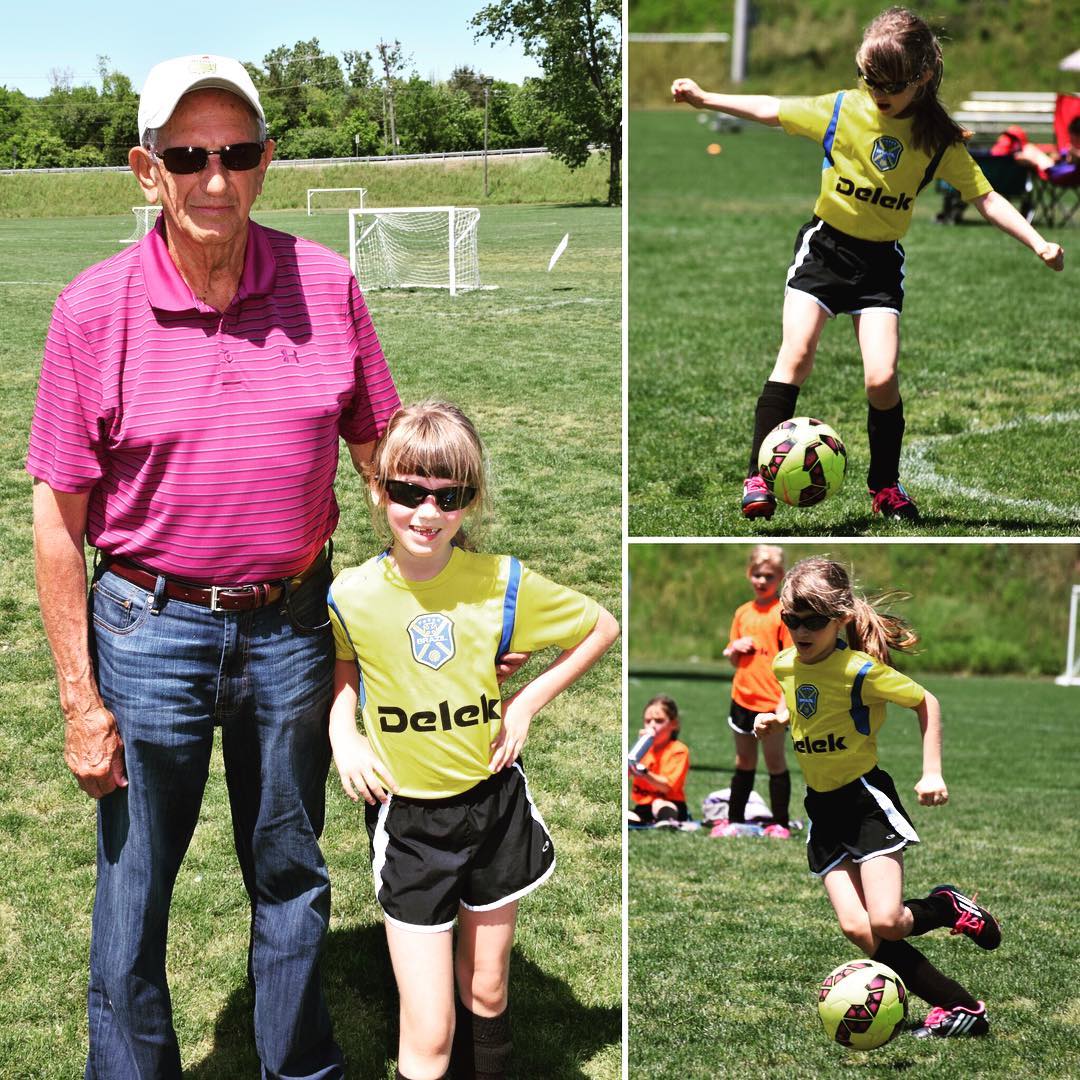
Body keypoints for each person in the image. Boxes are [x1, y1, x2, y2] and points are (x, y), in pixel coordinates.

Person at [27, 53, 401, 1078]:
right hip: (151, 631)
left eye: (236, 153)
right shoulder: (91, 309)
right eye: (188, 155)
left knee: (290, 870)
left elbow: (381, 458)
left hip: (292, 627)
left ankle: (298, 1066)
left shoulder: (326, 283)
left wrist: (431, 603)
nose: (215, 178)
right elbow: (57, 516)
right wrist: (78, 699)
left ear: (266, 161)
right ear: (148, 170)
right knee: (134, 887)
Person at [671, 7, 1065, 524]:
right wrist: (705, 97)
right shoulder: (842, 109)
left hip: (879, 268)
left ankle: (884, 487)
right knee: (797, 353)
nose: (877, 91)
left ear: (922, 77)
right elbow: (771, 107)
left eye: (890, 84)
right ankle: (757, 477)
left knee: (881, 378)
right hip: (824, 251)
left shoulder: (935, 139)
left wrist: (1037, 242)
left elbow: (986, 197)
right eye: (868, 78)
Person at [325, 401, 620, 1080]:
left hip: (494, 809)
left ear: (470, 499)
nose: (426, 513)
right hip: (413, 824)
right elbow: (344, 670)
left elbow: (600, 626)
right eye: (407, 491)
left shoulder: (500, 584)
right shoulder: (353, 594)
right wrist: (346, 735)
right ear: (378, 488)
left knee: (486, 989)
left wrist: (524, 705)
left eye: (448, 496)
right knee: (428, 1032)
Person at [754, 557, 1000, 1038]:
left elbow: (925, 701)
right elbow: (797, 696)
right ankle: (962, 1007)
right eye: (791, 620)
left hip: (864, 803)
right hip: (821, 808)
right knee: (859, 929)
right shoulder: (784, 662)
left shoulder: (860, 671)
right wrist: (779, 718)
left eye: (813, 621)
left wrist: (932, 772)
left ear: (841, 618)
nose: (800, 630)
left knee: (887, 920)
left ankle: (947, 907)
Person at [717, 545, 793, 837]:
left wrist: (781, 706)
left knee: (774, 762)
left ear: (780, 577)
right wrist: (733, 649)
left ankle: (781, 823)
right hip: (742, 699)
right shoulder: (742, 613)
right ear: (749, 574)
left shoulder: (782, 614)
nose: (762, 581)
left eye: (769, 576)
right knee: (744, 761)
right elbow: (735, 658)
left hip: (770, 704)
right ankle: (734, 820)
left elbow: (790, 664)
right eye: (757, 575)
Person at [627, 694, 691, 826]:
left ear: (674, 724)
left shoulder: (678, 750)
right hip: (644, 806)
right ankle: (647, 822)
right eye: (648, 721)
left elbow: (666, 787)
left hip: (670, 804)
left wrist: (644, 773)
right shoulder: (641, 750)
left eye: (659, 721)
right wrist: (637, 749)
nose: (652, 725)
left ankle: (667, 821)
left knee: (658, 804)